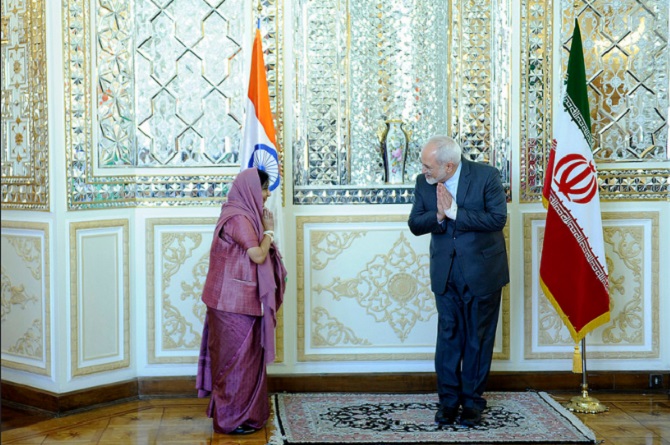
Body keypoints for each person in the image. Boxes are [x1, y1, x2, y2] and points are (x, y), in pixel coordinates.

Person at [408, 135, 509, 427]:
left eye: (429, 166)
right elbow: (415, 223)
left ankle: (473, 403)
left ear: (449, 166)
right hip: (446, 273)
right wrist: (438, 216)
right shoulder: (422, 183)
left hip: (483, 272)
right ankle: (448, 403)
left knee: (478, 339)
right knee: (449, 338)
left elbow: (497, 219)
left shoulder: (486, 176)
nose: (424, 170)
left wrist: (455, 213)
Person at [196, 167, 287, 435]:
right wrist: (269, 232)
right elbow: (258, 255)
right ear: (250, 189)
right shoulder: (238, 218)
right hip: (230, 304)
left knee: (246, 361)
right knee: (235, 363)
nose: (268, 194)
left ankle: (246, 416)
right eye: (264, 188)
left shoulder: (244, 214)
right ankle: (231, 419)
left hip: (239, 302)